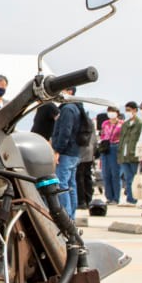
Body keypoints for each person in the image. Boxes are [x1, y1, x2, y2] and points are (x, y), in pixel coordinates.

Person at [50, 87, 85, 219]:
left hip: (66, 152)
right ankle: (71, 215)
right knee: (71, 184)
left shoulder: (68, 109)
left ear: (69, 92)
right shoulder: (77, 108)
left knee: (61, 184)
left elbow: (65, 131)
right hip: (74, 152)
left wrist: (58, 150)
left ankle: (66, 214)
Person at [117, 100, 142, 205]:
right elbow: (122, 139)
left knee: (134, 178)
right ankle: (130, 198)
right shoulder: (125, 124)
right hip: (124, 154)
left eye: (129, 110)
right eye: (126, 110)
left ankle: (134, 198)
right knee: (127, 178)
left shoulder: (140, 124)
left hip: (134, 155)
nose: (127, 112)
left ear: (135, 110)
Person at [98, 105, 122, 204]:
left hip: (115, 147)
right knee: (106, 174)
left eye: (113, 111)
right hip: (105, 147)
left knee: (115, 174)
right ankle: (109, 196)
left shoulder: (122, 124)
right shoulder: (105, 123)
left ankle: (116, 197)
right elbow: (103, 135)